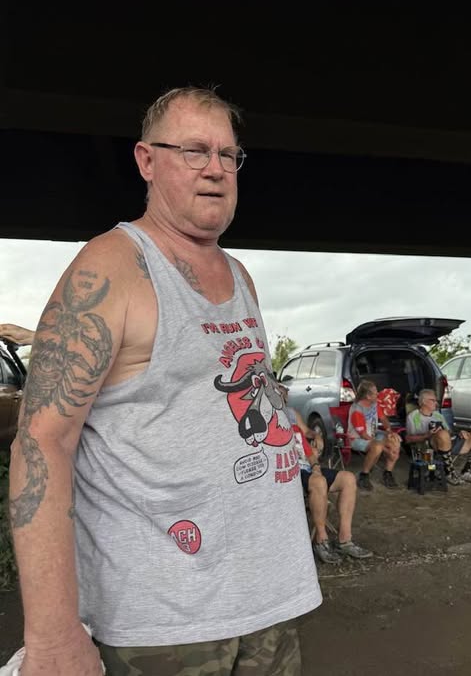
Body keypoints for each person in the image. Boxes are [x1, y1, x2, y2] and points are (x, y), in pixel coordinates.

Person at [9, 87, 322, 676]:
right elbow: (42, 441)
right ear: (147, 161)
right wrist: (53, 636)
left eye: (228, 155)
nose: (216, 169)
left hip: (268, 602)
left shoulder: (240, 275)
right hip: (164, 625)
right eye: (194, 151)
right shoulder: (112, 266)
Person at [280, 385, 372, 564]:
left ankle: (345, 540)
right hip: (288, 472)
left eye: (285, 395)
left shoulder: (292, 418)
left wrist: (315, 457)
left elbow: (306, 443)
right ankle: (321, 541)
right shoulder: (265, 421)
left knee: (348, 479)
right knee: (319, 482)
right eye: (280, 394)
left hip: (307, 466)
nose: (284, 397)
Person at [405, 389, 471, 484]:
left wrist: (459, 433)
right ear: (424, 401)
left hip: (447, 443)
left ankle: (467, 472)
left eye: (436, 400)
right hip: (428, 449)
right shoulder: (413, 416)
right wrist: (426, 435)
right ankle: (449, 473)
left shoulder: (438, 415)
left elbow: (449, 432)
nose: (436, 403)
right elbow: (408, 439)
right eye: (433, 400)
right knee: (442, 434)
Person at [347, 379, 402, 491]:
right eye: (375, 392)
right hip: (356, 438)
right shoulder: (357, 410)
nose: (378, 394)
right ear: (368, 396)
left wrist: (389, 431)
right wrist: (386, 449)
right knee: (377, 447)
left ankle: (387, 473)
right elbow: (363, 435)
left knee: (395, 439)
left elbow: (383, 418)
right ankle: (364, 475)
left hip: (373, 434)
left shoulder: (374, 404)